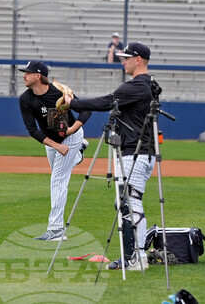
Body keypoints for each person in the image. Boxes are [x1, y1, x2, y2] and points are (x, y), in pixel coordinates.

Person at [64, 42, 158, 271]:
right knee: (129, 201)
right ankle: (138, 255)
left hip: (134, 151)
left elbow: (103, 102)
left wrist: (71, 103)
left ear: (138, 59)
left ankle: (134, 258)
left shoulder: (135, 86)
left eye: (126, 57)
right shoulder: (150, 84)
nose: (122, 61)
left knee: (129, 202)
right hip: (140, 150)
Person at [18, 60, 91, 241]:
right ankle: (79, 154)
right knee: (57, 173)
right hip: (52, 141)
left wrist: (73, 130)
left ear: (38, 76)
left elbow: (86, 111)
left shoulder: (60, 91)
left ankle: (56, 229)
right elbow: (32, 130)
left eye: (28, 72)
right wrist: (56, 146)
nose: (24, 75)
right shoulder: (25, 99)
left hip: (71, 137)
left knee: (58, 179)